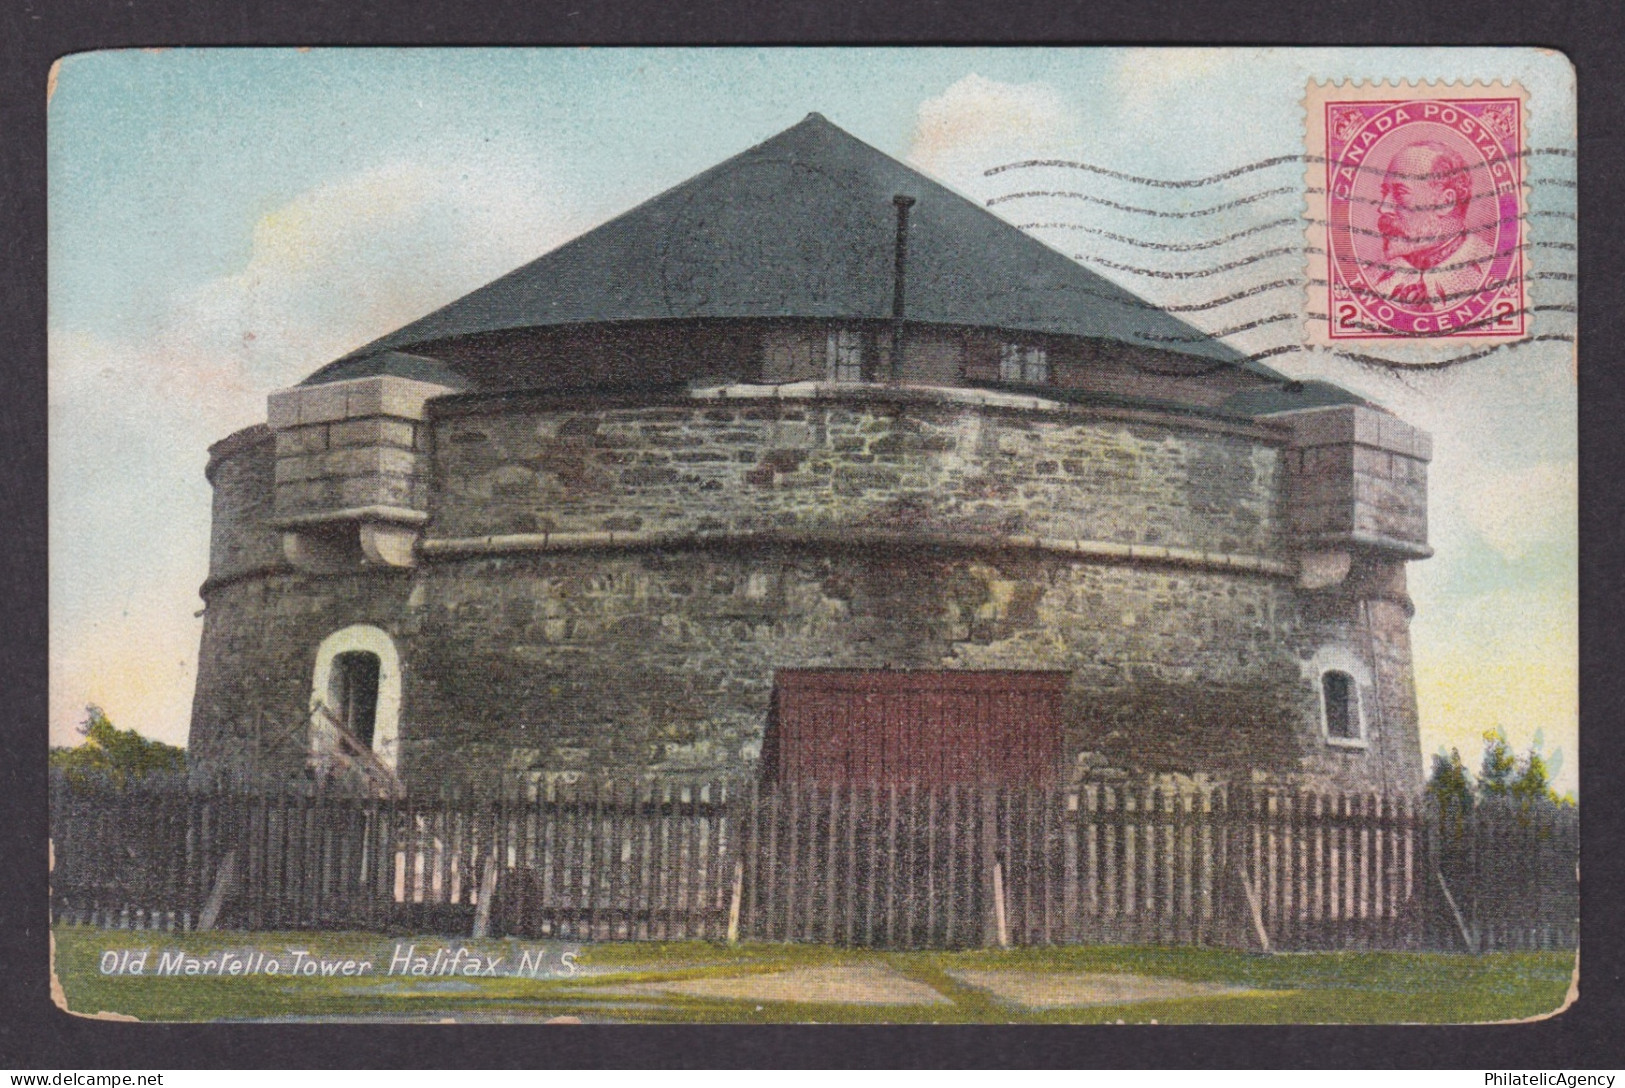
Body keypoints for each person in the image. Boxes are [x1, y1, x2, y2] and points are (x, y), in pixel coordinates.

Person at [1367, 140, 1499, 311]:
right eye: (1385, 192)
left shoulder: (1492, 275)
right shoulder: (1371, 279)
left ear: (1445, 202)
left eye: (1400, 193)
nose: (1383, 208)